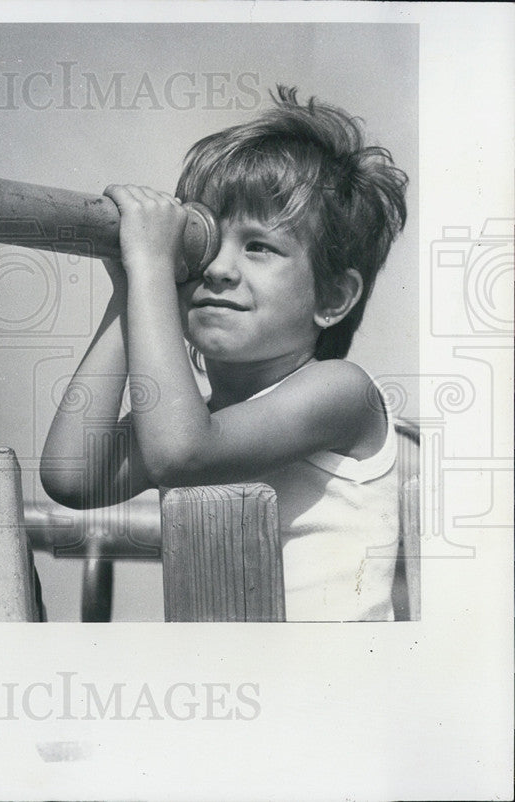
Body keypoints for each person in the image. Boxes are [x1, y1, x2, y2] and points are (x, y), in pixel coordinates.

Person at [40, 86, 409, 621]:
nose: (217, 268)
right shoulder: (194, 420)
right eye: (203, 244)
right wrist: (133, 290)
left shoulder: (343, 391)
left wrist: (149, 270)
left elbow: (183, 454)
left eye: (258, 246)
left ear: (332, 297)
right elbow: (73, 476)